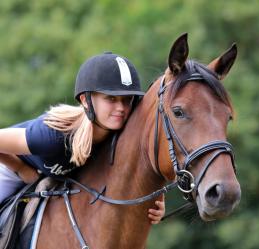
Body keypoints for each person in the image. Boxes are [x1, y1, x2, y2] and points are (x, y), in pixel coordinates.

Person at [0, 52, 165, 224]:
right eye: (111, 98)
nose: (121, 108)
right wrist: (21, 169)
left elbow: (152, 157)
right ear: (86, 100)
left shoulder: (121, 131)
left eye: (127, 100)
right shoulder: (52, 137)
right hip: (9, 168)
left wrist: (159, 200)